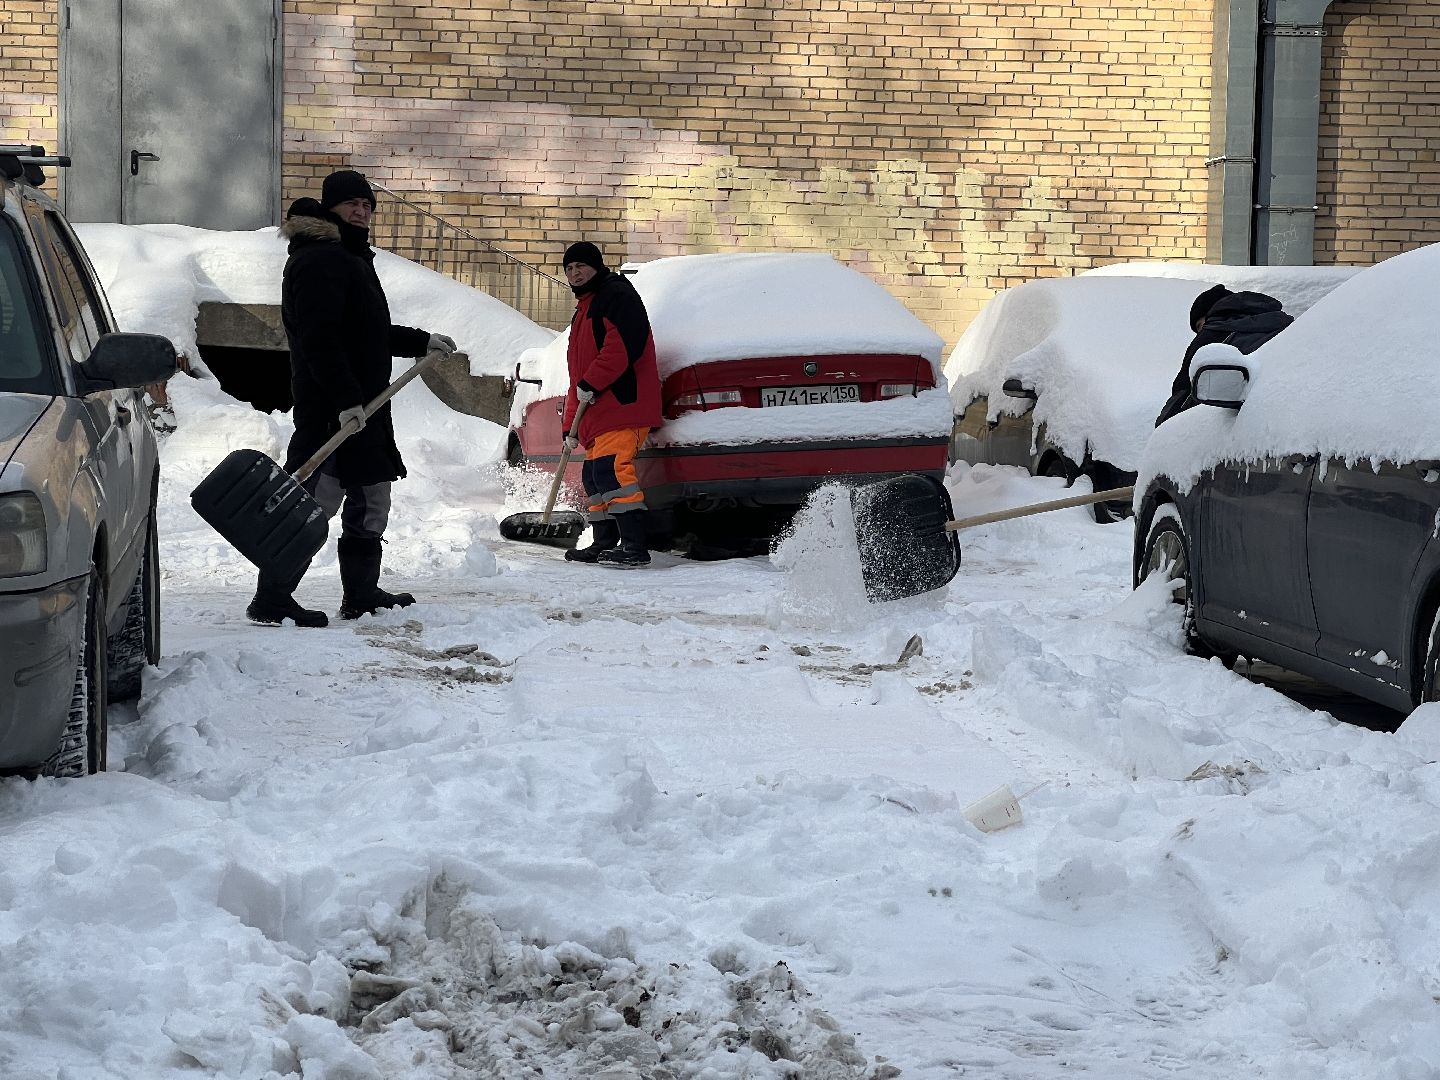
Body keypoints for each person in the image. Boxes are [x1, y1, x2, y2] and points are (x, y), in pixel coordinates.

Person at [246, 169, 457, 627]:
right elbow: (320, 338)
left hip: (367, 405)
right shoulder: (321, 260)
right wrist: (344, 399)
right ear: (331, 208)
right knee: (314, 504)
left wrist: (420, 341)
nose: (361, 211)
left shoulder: (350, 257)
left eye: (367, 204)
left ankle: (361, 593)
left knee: (370, 496)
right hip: (334, 409)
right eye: (351, 204)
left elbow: (366, 332)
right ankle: (272, 597)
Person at [558, 241, 663, 567]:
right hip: (599, 409)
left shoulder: (615, 296)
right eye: (569, 268)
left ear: (596, 266)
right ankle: (604, 542)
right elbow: (578, 376)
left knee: (612, 472)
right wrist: (569, 426)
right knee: (593, 476)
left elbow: (622, 349)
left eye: (581, 266)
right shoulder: (585, 309)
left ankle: (634, 547)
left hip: (622, 403)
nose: (575, 273)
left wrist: (593, 383)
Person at [1154, 284, 1293, 427]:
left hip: (1236, 429)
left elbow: (1183, 391)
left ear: (1211, 315)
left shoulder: (1212, 334)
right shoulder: (1285, 327)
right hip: (1289, 412)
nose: (1200, 332)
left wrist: (1164, 430)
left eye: (1200, 326)